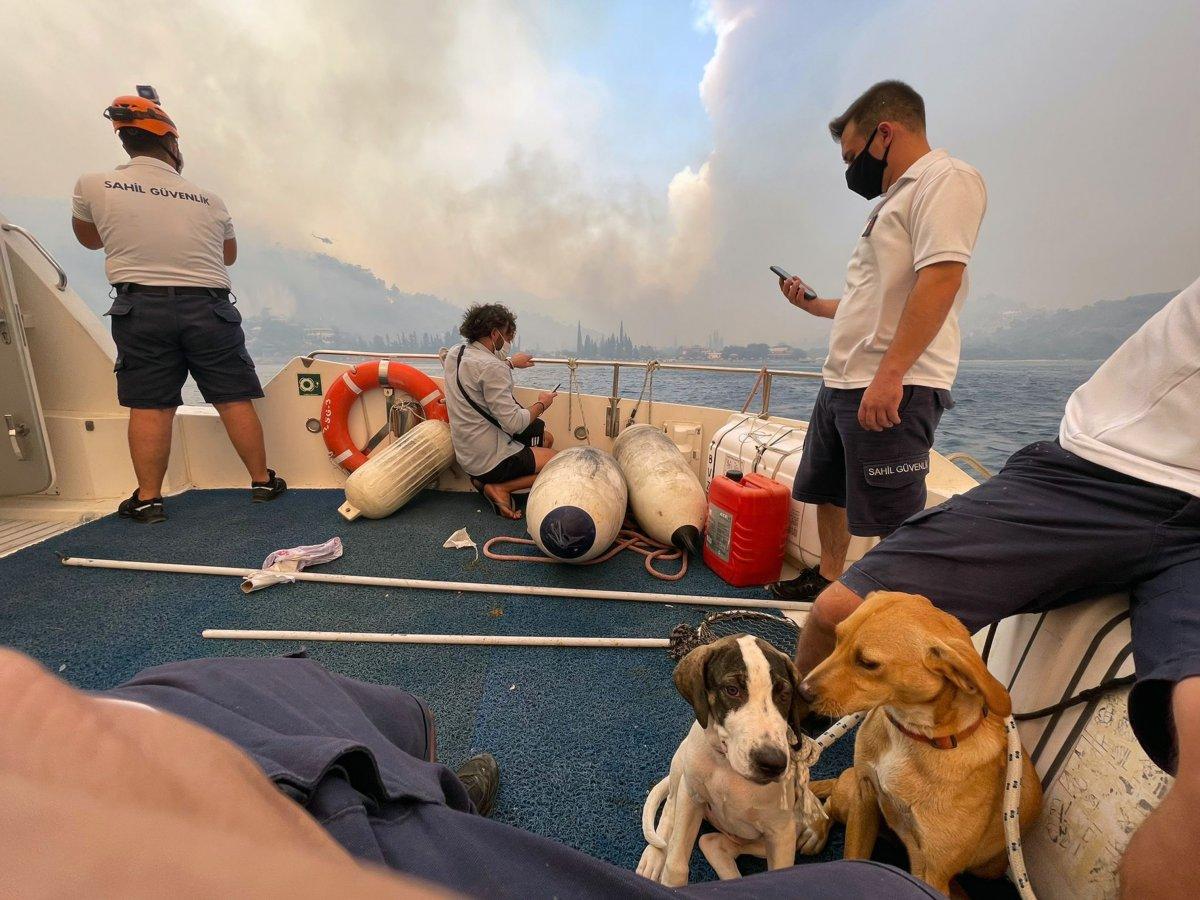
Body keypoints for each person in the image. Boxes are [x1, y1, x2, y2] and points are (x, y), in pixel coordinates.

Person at [793, 277, 1200, 898]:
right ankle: (790, 758)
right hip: (1104, 472)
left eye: (868, 663)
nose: (853, 169)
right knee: (834, 609)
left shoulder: (942, 188)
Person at [1, 648, 945, 899]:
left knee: (345, 711)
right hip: (275, 773)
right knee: (882, 892)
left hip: (177, 721)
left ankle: (431, 779)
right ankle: (430, 787)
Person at [769, 80, 986, 601]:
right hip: (843, 379)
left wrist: (890, 376)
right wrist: (813, 304)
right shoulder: (891, 201)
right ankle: (827, 582)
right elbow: (874, 300)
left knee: (894, 516)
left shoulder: (946, 180)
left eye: (853, 156)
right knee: (829, 490)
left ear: (884, 135)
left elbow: (941, 279)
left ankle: (892, 616)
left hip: (892, 384)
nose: (851, 171)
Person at [70, 88, 285, 524]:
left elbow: (89, 239)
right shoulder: (209, 199)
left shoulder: (94, 184)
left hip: (141, 307)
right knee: (233, 397)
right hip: (209, 306)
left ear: (124, 139)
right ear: (172, 143)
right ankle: (262, 481)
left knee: (151, 405)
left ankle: (148, 500)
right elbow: (228, 256)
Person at [443, 302, 557, 519]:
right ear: (495, 334)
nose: (508, 343)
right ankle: (501, 488)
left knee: (546, 438)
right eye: (507, 337)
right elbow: (514, 423)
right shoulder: (493, 367)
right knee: (559, 462)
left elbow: (480, 370)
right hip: (489, 458)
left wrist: (511, 363)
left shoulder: (455, 354)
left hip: (466, 454)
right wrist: (542, 403)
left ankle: (484, 483)